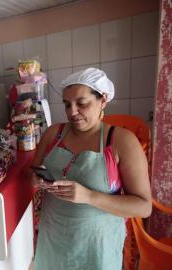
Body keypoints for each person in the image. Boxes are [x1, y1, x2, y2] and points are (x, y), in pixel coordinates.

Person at [30, 68, 152, 270]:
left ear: (103, 100)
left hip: (96, 247)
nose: (72, 112)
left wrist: (89, 196)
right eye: (67, 105)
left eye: (82, 103)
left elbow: (143, 206)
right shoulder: (54, 134)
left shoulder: (121, 141)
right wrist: (35, 179)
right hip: (53, 239)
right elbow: (32, 171)